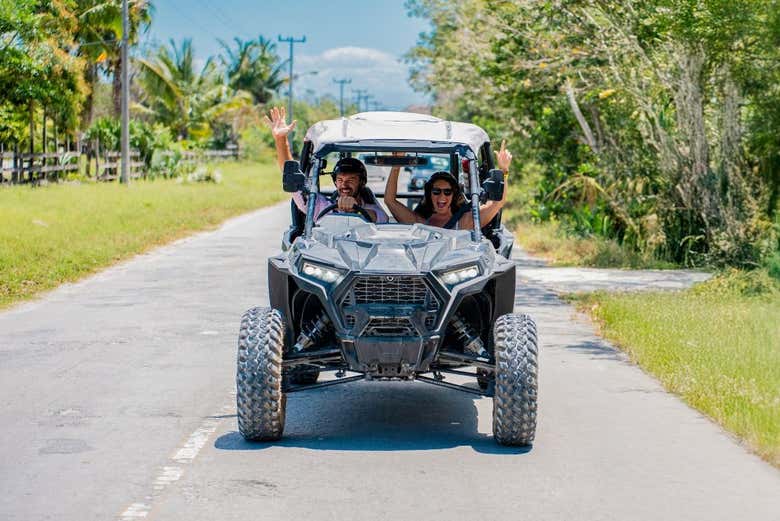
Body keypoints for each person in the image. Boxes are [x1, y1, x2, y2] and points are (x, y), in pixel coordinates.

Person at [264, 107, 388, 224]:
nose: (344, 185)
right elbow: (291, 174)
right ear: (335, 182)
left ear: (362, 182)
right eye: (340, 180)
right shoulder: (321, 206)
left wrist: (356, 210)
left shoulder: (373, 209)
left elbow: (382, 219)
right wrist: (281, 139)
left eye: (351, 180)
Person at [383, 141, 512, 229]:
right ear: (429, 194)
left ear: (454, 195)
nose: (442, 197)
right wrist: (396, 166)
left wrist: (504, 171)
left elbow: (497, 204)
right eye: (436, 192)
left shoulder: (464, 222)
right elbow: (389, 200)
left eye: (447, 192)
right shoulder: (420, 223)